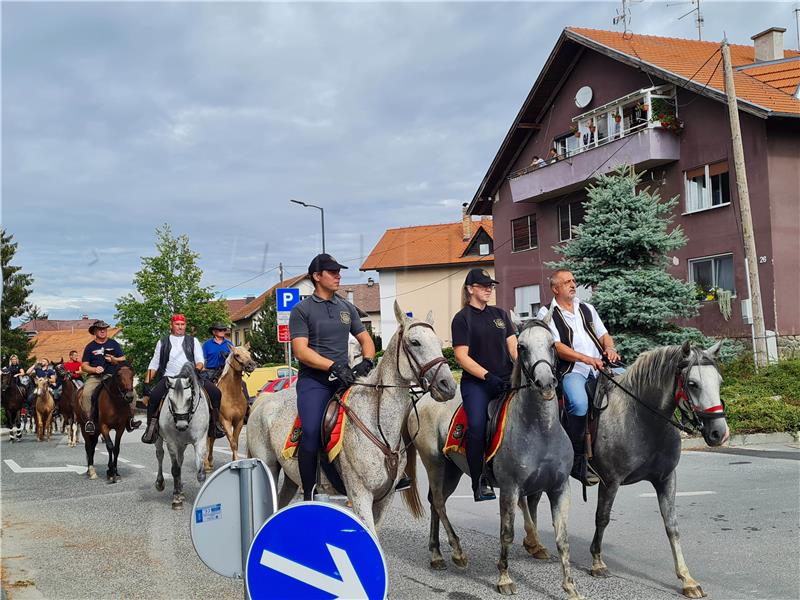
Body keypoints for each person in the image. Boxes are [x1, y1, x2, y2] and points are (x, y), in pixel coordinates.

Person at [289, 253, 387, 501]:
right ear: (317, 276)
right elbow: (300, 351)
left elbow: (366, 340)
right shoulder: (302, 310)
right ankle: (309, 492)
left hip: (346, 379)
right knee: (311, 431)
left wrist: (367, 361)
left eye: (338, 271)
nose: (338, 275)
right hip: (315, 382)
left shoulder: (346, 308)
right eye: (332, 272)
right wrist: (333, 366)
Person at [536, 270, 621, 486]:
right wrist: (585, 359)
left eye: (573, 281)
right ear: (555, 289)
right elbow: (556, 346)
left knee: (629, 383)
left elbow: (603, 334)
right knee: (579, 403)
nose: (573, 285)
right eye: (567, 282)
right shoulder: (546, 313)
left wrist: (609, 348)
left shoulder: (586, 308)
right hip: (572, 370)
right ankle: (576, 457)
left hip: (600, 367)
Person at [451, 268, 517, 502]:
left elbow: (513, 347)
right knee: (477, 425)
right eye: (483, 285)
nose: (489, 289)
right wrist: (488, 376)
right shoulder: (462, 318)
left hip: (507, 379)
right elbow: (462, 357)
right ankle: (479, 480)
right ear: (470, 289)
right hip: (478, 384)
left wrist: (524, 367)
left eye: (491, 285)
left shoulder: (500, 314)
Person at [140, 314, 225, 443]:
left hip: (191, 377)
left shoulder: (193, 341)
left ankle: (215, 425)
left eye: (182, 324)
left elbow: (200, 360)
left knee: (215, 393)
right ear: (171, 325)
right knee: (154, 398)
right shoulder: (162, 342)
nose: (180, 327)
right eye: (177, 324)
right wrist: (146, 382)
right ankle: (151, 429)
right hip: (169, 378)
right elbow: (154, 363)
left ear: (185, 326)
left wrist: (197, 369)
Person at [80, 320, 140, 434]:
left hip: (113, 376)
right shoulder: (90, 347)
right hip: (95, 377)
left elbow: (123, 359)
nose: (103, 331)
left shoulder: (113, 344)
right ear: (95, 331)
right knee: (86, 393)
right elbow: (84, 366)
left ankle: (131, 419)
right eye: (100, 329)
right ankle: (90, 421)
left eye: (105, 329)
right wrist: (94, 369)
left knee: (134, 393)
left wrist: (114, 359)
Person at [201, 322, 251, 406]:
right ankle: (210, 409)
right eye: (220, 330)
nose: (223, 331)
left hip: (227, 370)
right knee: (207, 388)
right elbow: (202, 359)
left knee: (243, 384)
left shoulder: (229, 344)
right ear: (214, 332)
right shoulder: (207, 345)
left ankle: (247, 407)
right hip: (211, 371)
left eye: (224, 330)